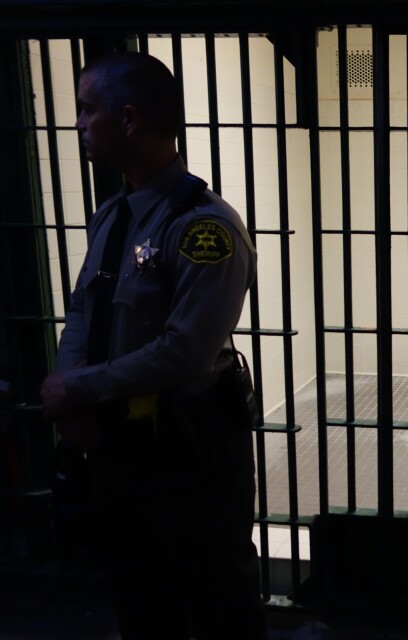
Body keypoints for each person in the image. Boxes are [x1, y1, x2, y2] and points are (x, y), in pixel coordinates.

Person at [39, 51, 267, 639]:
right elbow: (85, 310)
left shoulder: (204, 228)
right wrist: (68, 393)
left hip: (191, 446)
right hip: (122, 446)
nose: (79, 124)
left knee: (219, 599)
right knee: (141, 598)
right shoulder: (113, 217)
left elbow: (183, 353)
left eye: (88, 110)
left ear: (130, 119)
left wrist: (75, 386)